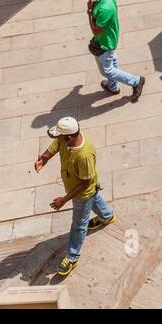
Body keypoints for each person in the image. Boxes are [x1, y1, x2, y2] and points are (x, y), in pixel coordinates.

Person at [35, 116, 113, 278]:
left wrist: (63, 200)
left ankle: (72, 257)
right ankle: (107, 216)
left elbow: (85, 183)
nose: (57, 139)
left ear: (69, 137)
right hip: (86, 190)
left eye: (60, 137)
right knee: (94, 198)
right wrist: (44, 158)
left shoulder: (84, 155)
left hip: (82, 193)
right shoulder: (66, 140)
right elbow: (55, 145)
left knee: (79, 225)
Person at [86, 0, 144, 101]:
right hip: (110, 37)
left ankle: (136, 81)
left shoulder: (104, 9)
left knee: (107, 71)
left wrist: (90, 13)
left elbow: (95, 30)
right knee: (112, 63)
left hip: (105, 42)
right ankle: (112, 86)